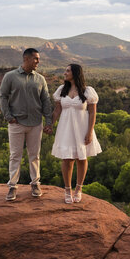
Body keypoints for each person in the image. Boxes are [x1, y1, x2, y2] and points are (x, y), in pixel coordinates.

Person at [0, 48, 53, 201]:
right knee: (15, 155)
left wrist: (48, 122)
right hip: (16, 123)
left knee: (34, 155)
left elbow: (46, 101)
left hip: (36, 124)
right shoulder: (10, 76)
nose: (38, 61)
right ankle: (12, 187)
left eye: (38, 58)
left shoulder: (40, 79)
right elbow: (2, 96)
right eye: (36, 58)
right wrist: (8, 116)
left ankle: (35, 184)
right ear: (26, 59)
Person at [49, 63, 101, 203]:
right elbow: (57, 110)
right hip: (65, 128)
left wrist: (89, 132)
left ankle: (78, 189)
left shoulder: (87, 91)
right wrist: (50, 124)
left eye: (67, 71)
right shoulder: (61, 90)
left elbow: (92, 113)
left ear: (75, 73)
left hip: (82, 128)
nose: (64, 73)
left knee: (82, 158)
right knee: (67, 159)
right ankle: (67, 190)